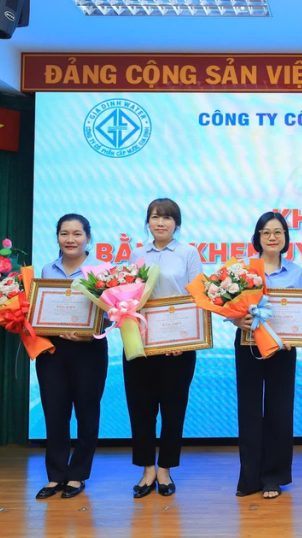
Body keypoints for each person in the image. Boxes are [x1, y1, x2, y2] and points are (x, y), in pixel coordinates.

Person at [126, 198, 203, 498]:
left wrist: (184, 340)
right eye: (155, 217)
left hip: (177, 347)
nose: (160, 223)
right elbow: (128, 297)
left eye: (167, 218)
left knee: (173, 410)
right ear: (148, 222)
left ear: (176, 223)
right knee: (141, 409)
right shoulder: (137, 254)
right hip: (141, 344)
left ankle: (165, 469)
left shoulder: (188, 253)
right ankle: (147, 469)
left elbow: (197, 298)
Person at [231, 212, 302, 499]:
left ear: (285, 237)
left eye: (278, 232)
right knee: (249, 410)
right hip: (248, 344)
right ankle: (249, 477)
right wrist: (237, 320)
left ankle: (274, 476)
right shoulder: (244, 271)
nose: (272, 237)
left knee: (280, 410)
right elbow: (230, 307)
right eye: (266, 232)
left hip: (284, 348)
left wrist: (298, 335)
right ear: (257, 237)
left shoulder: (296, 272)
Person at [34, 213, 109, 500]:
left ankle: (77, 475)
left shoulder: (102, 271)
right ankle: (55, 476)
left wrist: (92, 332)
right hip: (53, 350)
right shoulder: (47, 269)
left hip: (89, 349)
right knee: (55, 412)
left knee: (87, 413)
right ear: (57, 237)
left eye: (77, 234)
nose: (70, 239)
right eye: (64, 233)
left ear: (88, 238)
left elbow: (114, 313)